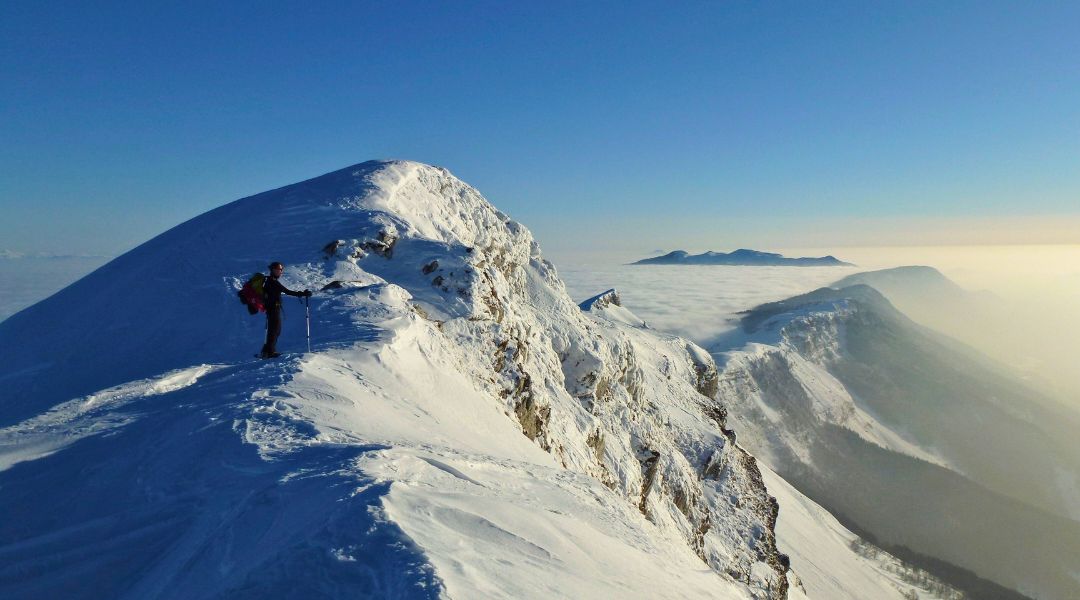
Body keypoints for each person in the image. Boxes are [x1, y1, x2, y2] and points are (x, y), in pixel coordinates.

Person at [260, 262, 312, 358]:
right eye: (278, 270)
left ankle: (266, 351)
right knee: (275, 330)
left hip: (271, 309)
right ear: (273, 270)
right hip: (273, 309)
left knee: (273, 329)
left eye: (281, 270)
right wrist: (302, 294)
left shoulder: (269, 281)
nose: (280, 272)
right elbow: (287, 291)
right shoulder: (273, 281)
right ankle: (270, 352)